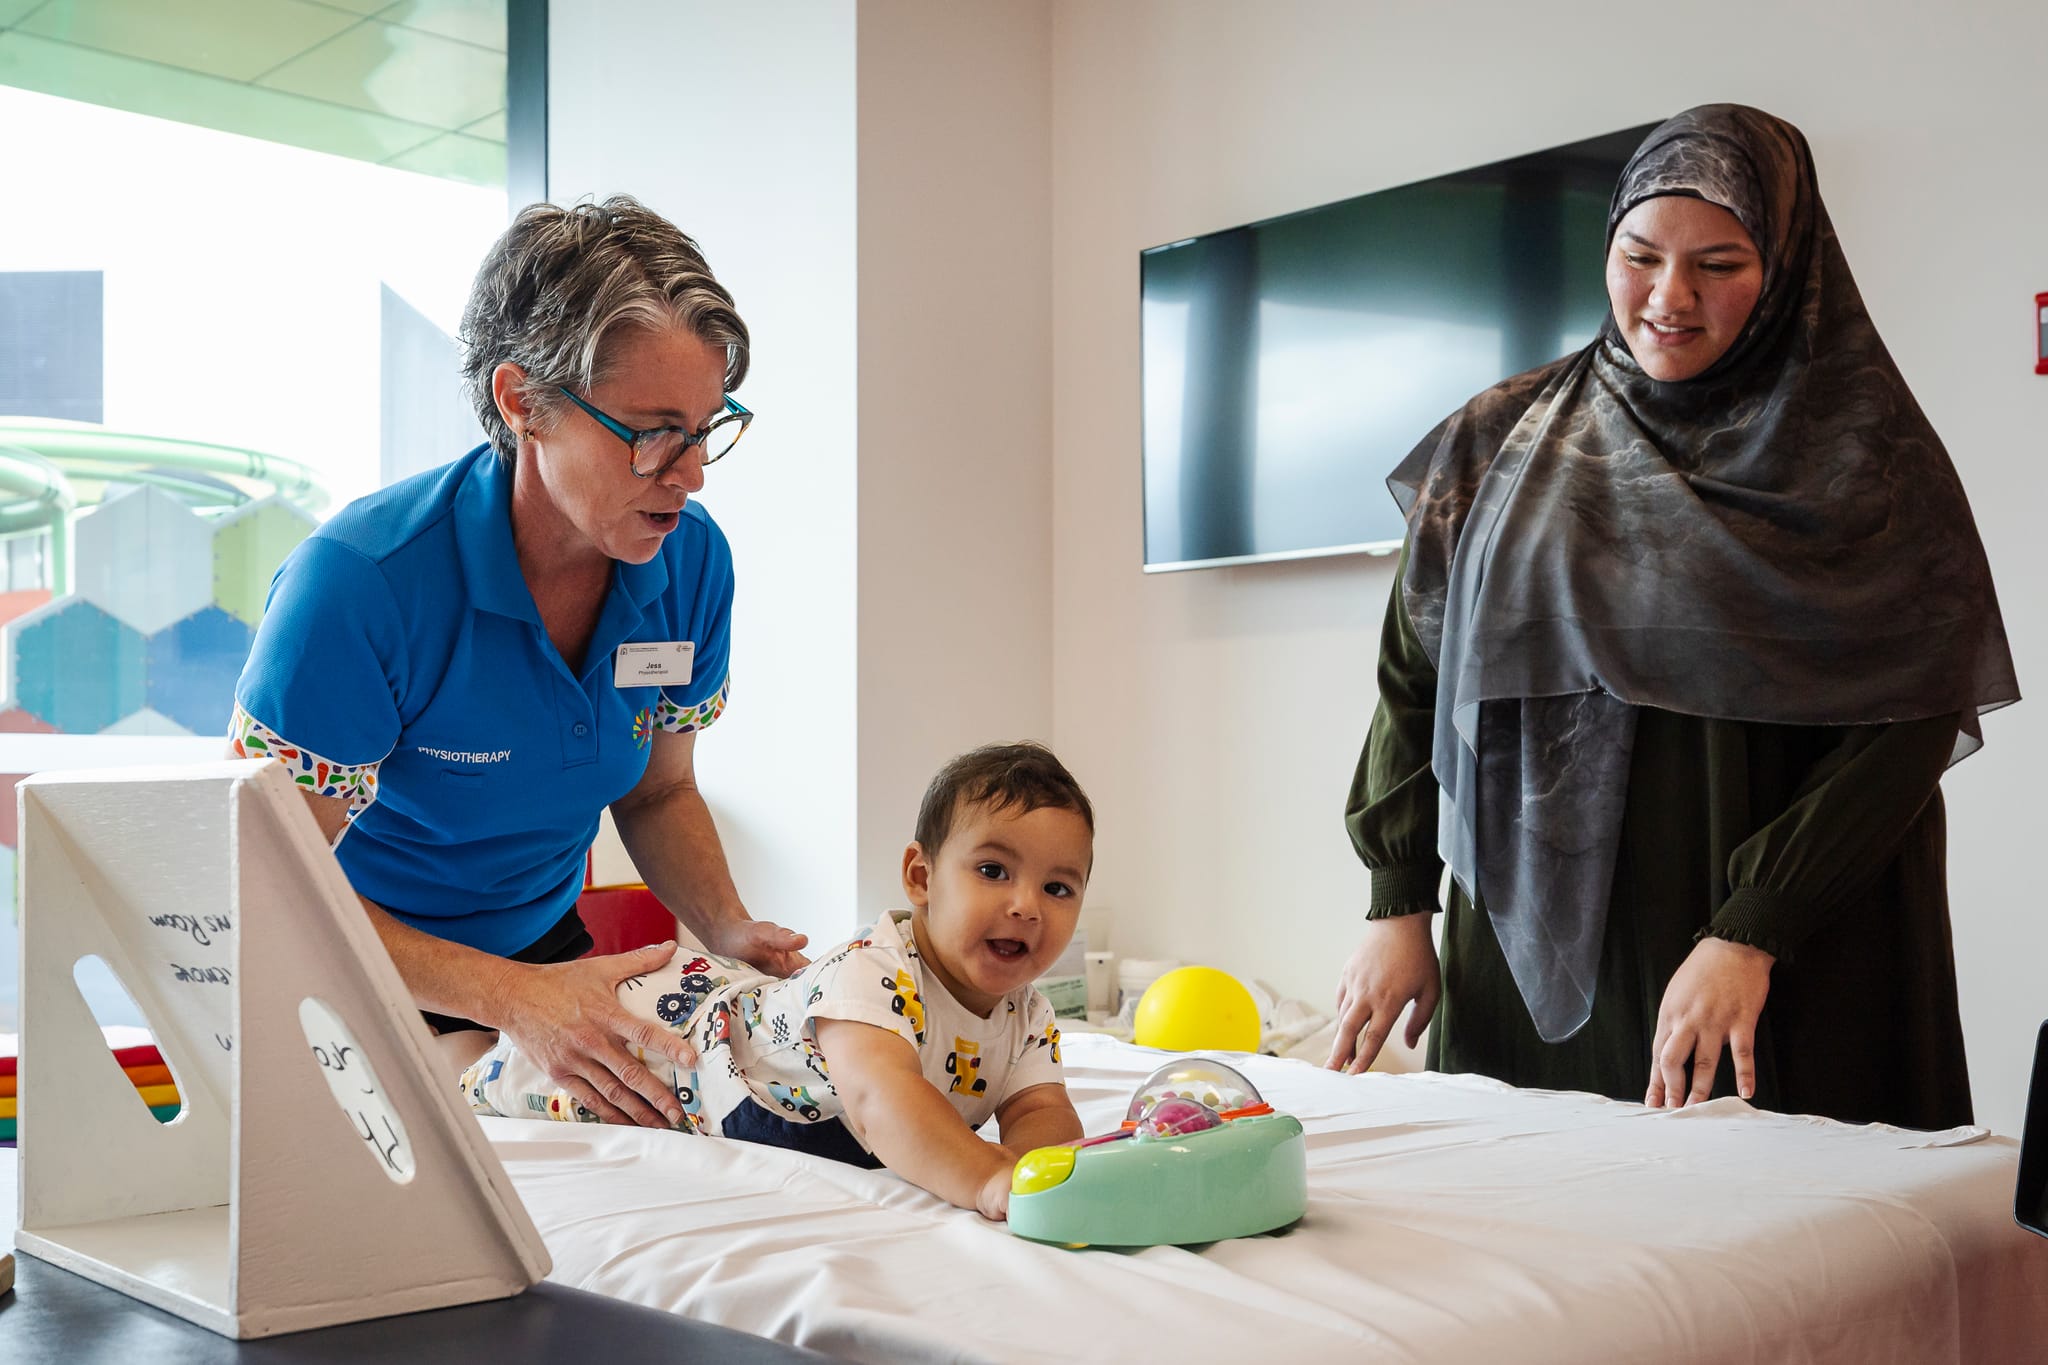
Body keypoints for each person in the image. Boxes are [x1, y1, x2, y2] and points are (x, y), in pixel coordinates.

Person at [1327, 105, 2017, 1130]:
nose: (1668, 298)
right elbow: (1412, 677)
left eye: (1718, 264)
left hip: (1784, 960)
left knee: (1789, 1222)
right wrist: (1398, 899)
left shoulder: (1868, 463)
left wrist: (1754, 925)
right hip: (1529, 957)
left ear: (1786, 266)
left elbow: (1907, 723)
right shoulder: (1498, 440)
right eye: (1639, 256)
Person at [231, 196, 808, 1131]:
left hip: (541, 958)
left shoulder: (689, 560)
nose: (691, 472)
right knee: (470, 1160)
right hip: (348, 968)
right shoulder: (361, 585)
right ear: (522, 401)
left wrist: (728, 926)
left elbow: (658, 792)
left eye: (707, 427)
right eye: (654, 431)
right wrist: (507, 1000)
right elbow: (264, 883)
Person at [461, 741, 1091, 1221]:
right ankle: (456, 1056)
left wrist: (1041, 1172)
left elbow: (1039, 1107)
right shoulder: (876, 972)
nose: (1026, 906)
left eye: (1057, 887)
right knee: (521, 1079)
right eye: (993, 871)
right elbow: (882, 1102)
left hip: (753, 1031)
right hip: (684, 1049)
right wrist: (986, 1179)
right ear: (921, 879)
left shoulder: (1027, 1015)